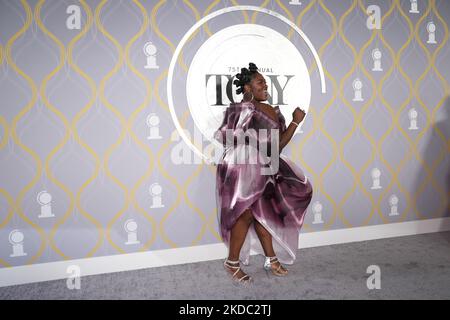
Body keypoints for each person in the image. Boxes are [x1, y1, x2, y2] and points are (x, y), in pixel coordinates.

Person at [214, 62, 313, 284]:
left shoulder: (273, 110)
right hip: (245, 165)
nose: (265, 85)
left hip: (267, 164)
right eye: (260, 82)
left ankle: (270, 258)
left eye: (265, 82)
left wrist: (295, 122)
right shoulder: (243, 108)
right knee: (247, 213)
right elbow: (228, 137)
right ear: (248, 88)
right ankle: (232, 263)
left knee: (261, 211)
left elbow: (278, 145)